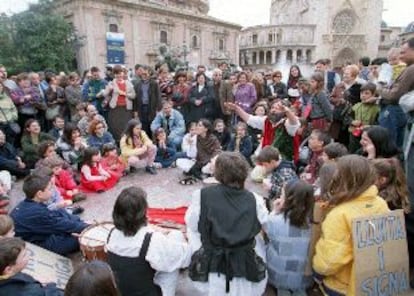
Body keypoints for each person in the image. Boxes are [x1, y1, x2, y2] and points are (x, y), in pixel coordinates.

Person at [185, 152, 268, 295]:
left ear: (218, 173)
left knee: (192, 228)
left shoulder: (201, 195)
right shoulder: (256, 199)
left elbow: (193, 225)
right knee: (258, 238)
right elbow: (264, 224)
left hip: (213, 259)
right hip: (244, 261)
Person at [313, 155, 389, 296]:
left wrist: (316, 273)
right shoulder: (380, 203)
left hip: (342, 286)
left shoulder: (339, 214)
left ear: (341, 179)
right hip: (372, 282)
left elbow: (329, 262)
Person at [106, 186, 191, 296]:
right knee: (175, 244)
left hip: (124, 292)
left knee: (161, 254)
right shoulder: (150, 241)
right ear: (143, 213)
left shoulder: (111, 234)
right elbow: (185, 257)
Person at [11, 174, 88, 255]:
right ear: (39, 194)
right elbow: (62, 225)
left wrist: (79, 224)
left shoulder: (27, 203)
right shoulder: (37, 212)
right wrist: (87, 227)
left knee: (62, 214)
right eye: (49, 189)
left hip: (38, 233)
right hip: (34, 245)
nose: (52, 190)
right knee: (81, 239)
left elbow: (57, 217)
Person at [265, 180, 314, 296]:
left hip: (277, 274)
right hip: (305, 277)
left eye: (282, 194)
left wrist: (274, 212)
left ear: (288, 199)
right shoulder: (315, 223)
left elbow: (268, 234)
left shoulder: (275, 220)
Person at [226, 100, 300, 161]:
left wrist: (287, 111)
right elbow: (249, 119)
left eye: (278, 108)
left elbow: (294, 123)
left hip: (283, 161)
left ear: (284, 112)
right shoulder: (267, 120)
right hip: (267, 160)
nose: (273, 110)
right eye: (272, 108)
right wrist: (236, 108)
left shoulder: (287, 123)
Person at [379, 38, 414, 148]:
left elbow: (395, 95)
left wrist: (379, 89)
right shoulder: (408, 67)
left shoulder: (411, 69)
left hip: (395, 110)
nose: (401, 56)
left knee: (391, 145)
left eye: (403, 52)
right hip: (401, 112)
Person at [0, 237, 64, 295]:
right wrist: (50, 286)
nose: (28, 254)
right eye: (24, 255)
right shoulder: (27, 291)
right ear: (8, 269)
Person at [104, 65, 136, 142]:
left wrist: (124, 93)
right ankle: (117, 143)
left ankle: (127, 142)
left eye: (120, 72)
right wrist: (109, 89)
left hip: (126, 109)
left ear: (123, 73)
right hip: (115, 109)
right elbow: (105, 94)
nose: (119, 75)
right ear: (114, 74)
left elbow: (133, 96)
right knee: (115, 127)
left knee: (126, 126)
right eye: (116, 73)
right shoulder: (111, 83)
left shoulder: (128, 83)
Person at [348, 82, 380, 152]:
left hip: (368, 136)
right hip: (354, 134)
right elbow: (347, 118)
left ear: (374, 95)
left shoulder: (377, 109)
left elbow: (378, 123)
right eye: (362, 93)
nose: (363, 95)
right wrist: (352, 121)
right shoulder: (356, 106)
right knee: (352, 151)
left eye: (367, 93)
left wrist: (369, 126)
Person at [132, 65, 162, 137]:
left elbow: (158, 96)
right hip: (141, 107)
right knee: (143, 125)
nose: (144, 76)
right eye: (142, 74)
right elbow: (135, 98)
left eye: (145, 74)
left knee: (152, 125)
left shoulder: (154, 83)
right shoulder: (137, 84)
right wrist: (135, 110)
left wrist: (158, 109)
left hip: (151, 107)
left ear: (149, 74)